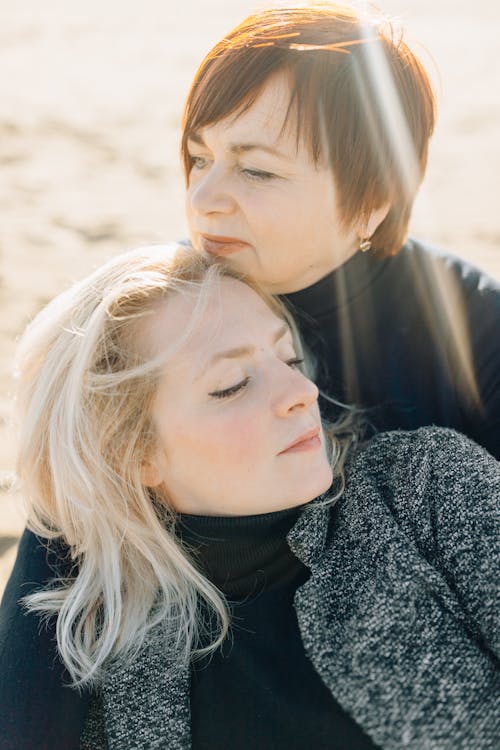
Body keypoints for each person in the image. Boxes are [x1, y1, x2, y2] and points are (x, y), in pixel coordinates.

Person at [1, 244, 499, 749]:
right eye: (233, 385)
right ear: (134, 454)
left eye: (289, 357)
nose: (301, 392)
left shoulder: (424, 485)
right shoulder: (105, 666)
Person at [181, 1, 500, 458]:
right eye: (200, 159)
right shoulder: (143, 322)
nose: (200, 200)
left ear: (373, 199)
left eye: (255, 170)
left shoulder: (479, 337)